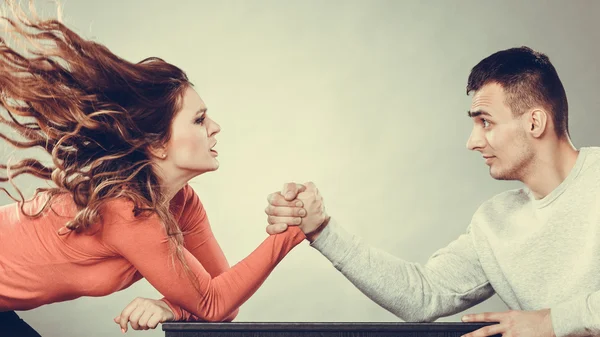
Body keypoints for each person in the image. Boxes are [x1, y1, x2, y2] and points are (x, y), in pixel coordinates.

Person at [0, 3, 325, 336]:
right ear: (156, 144)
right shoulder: (127, 211)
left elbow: (224, 300)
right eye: (199, 120)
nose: (215, 127)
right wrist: (295, 229)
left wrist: (170, 307)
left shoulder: (184, 204)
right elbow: (214, 302)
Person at [265, 46, 600, 337]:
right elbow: (423, 295)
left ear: (534, 123)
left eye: (486, 122)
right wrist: (322, 229)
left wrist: (553, 323)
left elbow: (552, 324)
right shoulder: (494, 223)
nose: (472, 141)